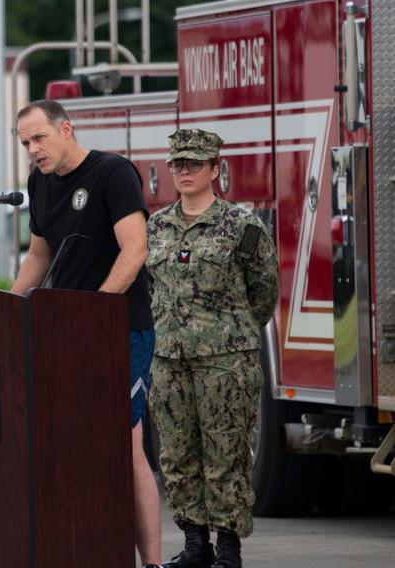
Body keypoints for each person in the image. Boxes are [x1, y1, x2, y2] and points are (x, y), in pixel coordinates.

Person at [12, 99, 163, 568]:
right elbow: (39, 257)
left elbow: (134, 250)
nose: (33, 150)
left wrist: (94, 312)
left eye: (39, 138)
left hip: (119, 331)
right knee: (72, 443)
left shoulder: (112, 174)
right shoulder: (39, 182)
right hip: (64, 333)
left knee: (125, 444)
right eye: (25, 144)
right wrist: (5, 308)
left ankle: (152, 563)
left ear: (67, 129)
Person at [146, 129, 278, 568]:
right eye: (177, 165)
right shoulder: (157, 226)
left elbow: (264, 292)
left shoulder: (241, 227)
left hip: (225, 362)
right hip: (170, 360)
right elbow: (153, 289)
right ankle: (195, 544)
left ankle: (228, 550)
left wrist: (228, 333)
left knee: (227, 455)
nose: (184, 172)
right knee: (178, 455)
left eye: (194, 164)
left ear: (214, 170)